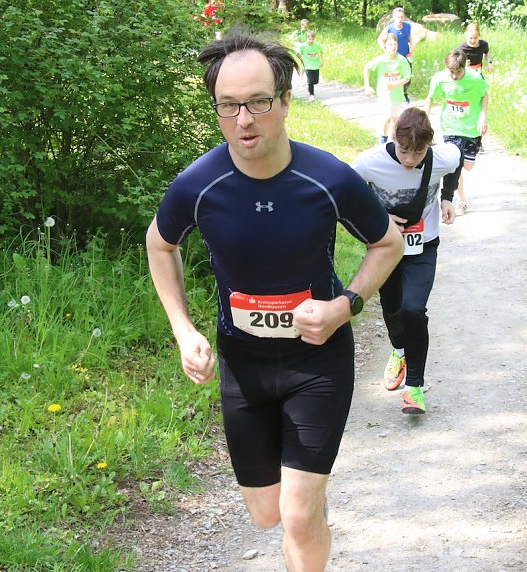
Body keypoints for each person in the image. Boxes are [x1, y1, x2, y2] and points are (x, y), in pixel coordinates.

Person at [146, 36, 403, 570]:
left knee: (298, 514)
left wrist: (345, 305)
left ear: (285, 101)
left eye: (259, 102)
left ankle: (307, 509)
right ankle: (306, 505)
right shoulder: (200, 184)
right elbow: (159, 244)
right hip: (244, 369)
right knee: (268, 514)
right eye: (229, 104)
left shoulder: (327, 177)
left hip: (318, 364)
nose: (244, 119)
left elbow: (388, 243)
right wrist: (183, 329)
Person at [351, 107, 461, 415]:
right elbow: (346, 195)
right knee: (392, 309)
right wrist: (380, 218)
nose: (410, 160)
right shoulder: (369, 163)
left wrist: (447, 197)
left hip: (423, 246)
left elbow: (458, 160)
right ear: (393, 138)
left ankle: (414, 387)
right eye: (404, 151)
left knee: (414, 309)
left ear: (429, 145)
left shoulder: (442, 158)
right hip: (385, 248)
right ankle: (399, 350)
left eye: (418, 152)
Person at [425, 50, 489, 215]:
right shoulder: (440, 78)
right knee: (456, 163)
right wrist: (425, 117)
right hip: (450, 126)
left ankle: (457, 194)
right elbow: (430, 97)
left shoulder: (475, 78)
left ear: (464, 68)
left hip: (471, 128)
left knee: (467, 165)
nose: (454, 76)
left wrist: (482, 117)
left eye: (458, 72)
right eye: (451, 72)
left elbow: (484, 95)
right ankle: (459, 200)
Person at [363, 33, 411, 145]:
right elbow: (366, 68)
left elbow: (407, 77)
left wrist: (396, 84)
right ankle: (383, 141)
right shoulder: (380, 60)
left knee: (396, 120)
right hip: (384, 94)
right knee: (388, 116)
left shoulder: (402, 60)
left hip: (397, 95)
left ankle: (395, 142)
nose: (393, 47)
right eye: (390, 44)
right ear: (385, 46)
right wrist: (367, 86)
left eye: (395, 44)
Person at [377, 7, 415, 102]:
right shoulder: (389, 28)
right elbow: (380, 40)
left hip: (406, 56)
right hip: (394, 57)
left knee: (408, 76)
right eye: (398, 17)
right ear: (394, 17)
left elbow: (411, 40)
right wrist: (386, 50)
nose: (400, 19)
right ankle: (396, 96)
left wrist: (411, 51)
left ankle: (404, 93)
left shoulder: (407, 26)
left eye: (402, 17)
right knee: (395, 76)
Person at [298, 30, 323, 101]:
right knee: (310, 81)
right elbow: (299, 53)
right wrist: (301, 58)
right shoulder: (303, 46)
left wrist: (321, 61)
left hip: (315, 65)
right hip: (307, 65)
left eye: (312, 39)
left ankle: (310, 88)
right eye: (309, 39)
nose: (311, 41)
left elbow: (321, 52)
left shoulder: (317, 45)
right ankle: (311, 94)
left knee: (315, 81)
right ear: (306, 38)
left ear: (314, 38)